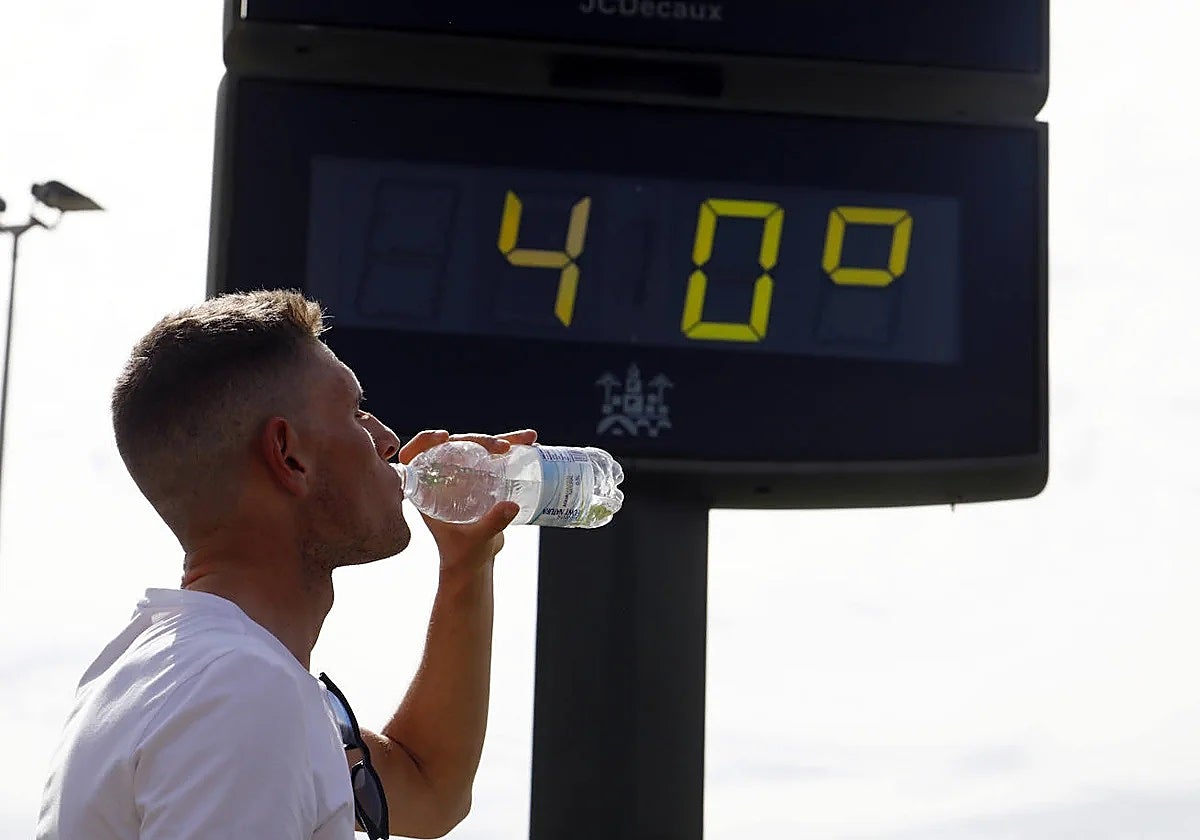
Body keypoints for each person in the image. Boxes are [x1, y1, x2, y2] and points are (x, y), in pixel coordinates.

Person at [35, 289, 535, 839]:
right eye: (355, 413)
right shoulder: (241, 690)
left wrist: (466, 567)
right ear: (289, 455)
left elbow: (429, 790)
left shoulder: (167, 669)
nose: (388, 439)